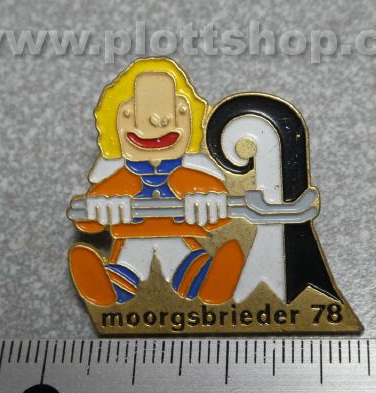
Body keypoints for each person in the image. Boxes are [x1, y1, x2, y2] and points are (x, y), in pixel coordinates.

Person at [69, 58, 244, 307]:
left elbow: (219, 207)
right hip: (132, 237)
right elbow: (88, 221)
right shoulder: (120, 180)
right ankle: (103, 285)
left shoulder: (188, 176)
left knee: (189, 268)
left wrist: (210, 203)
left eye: (178, 112)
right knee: (126, 268)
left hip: (177, 235)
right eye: (129, 114)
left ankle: (212, 282)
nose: (155, 122)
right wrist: (100, 209)